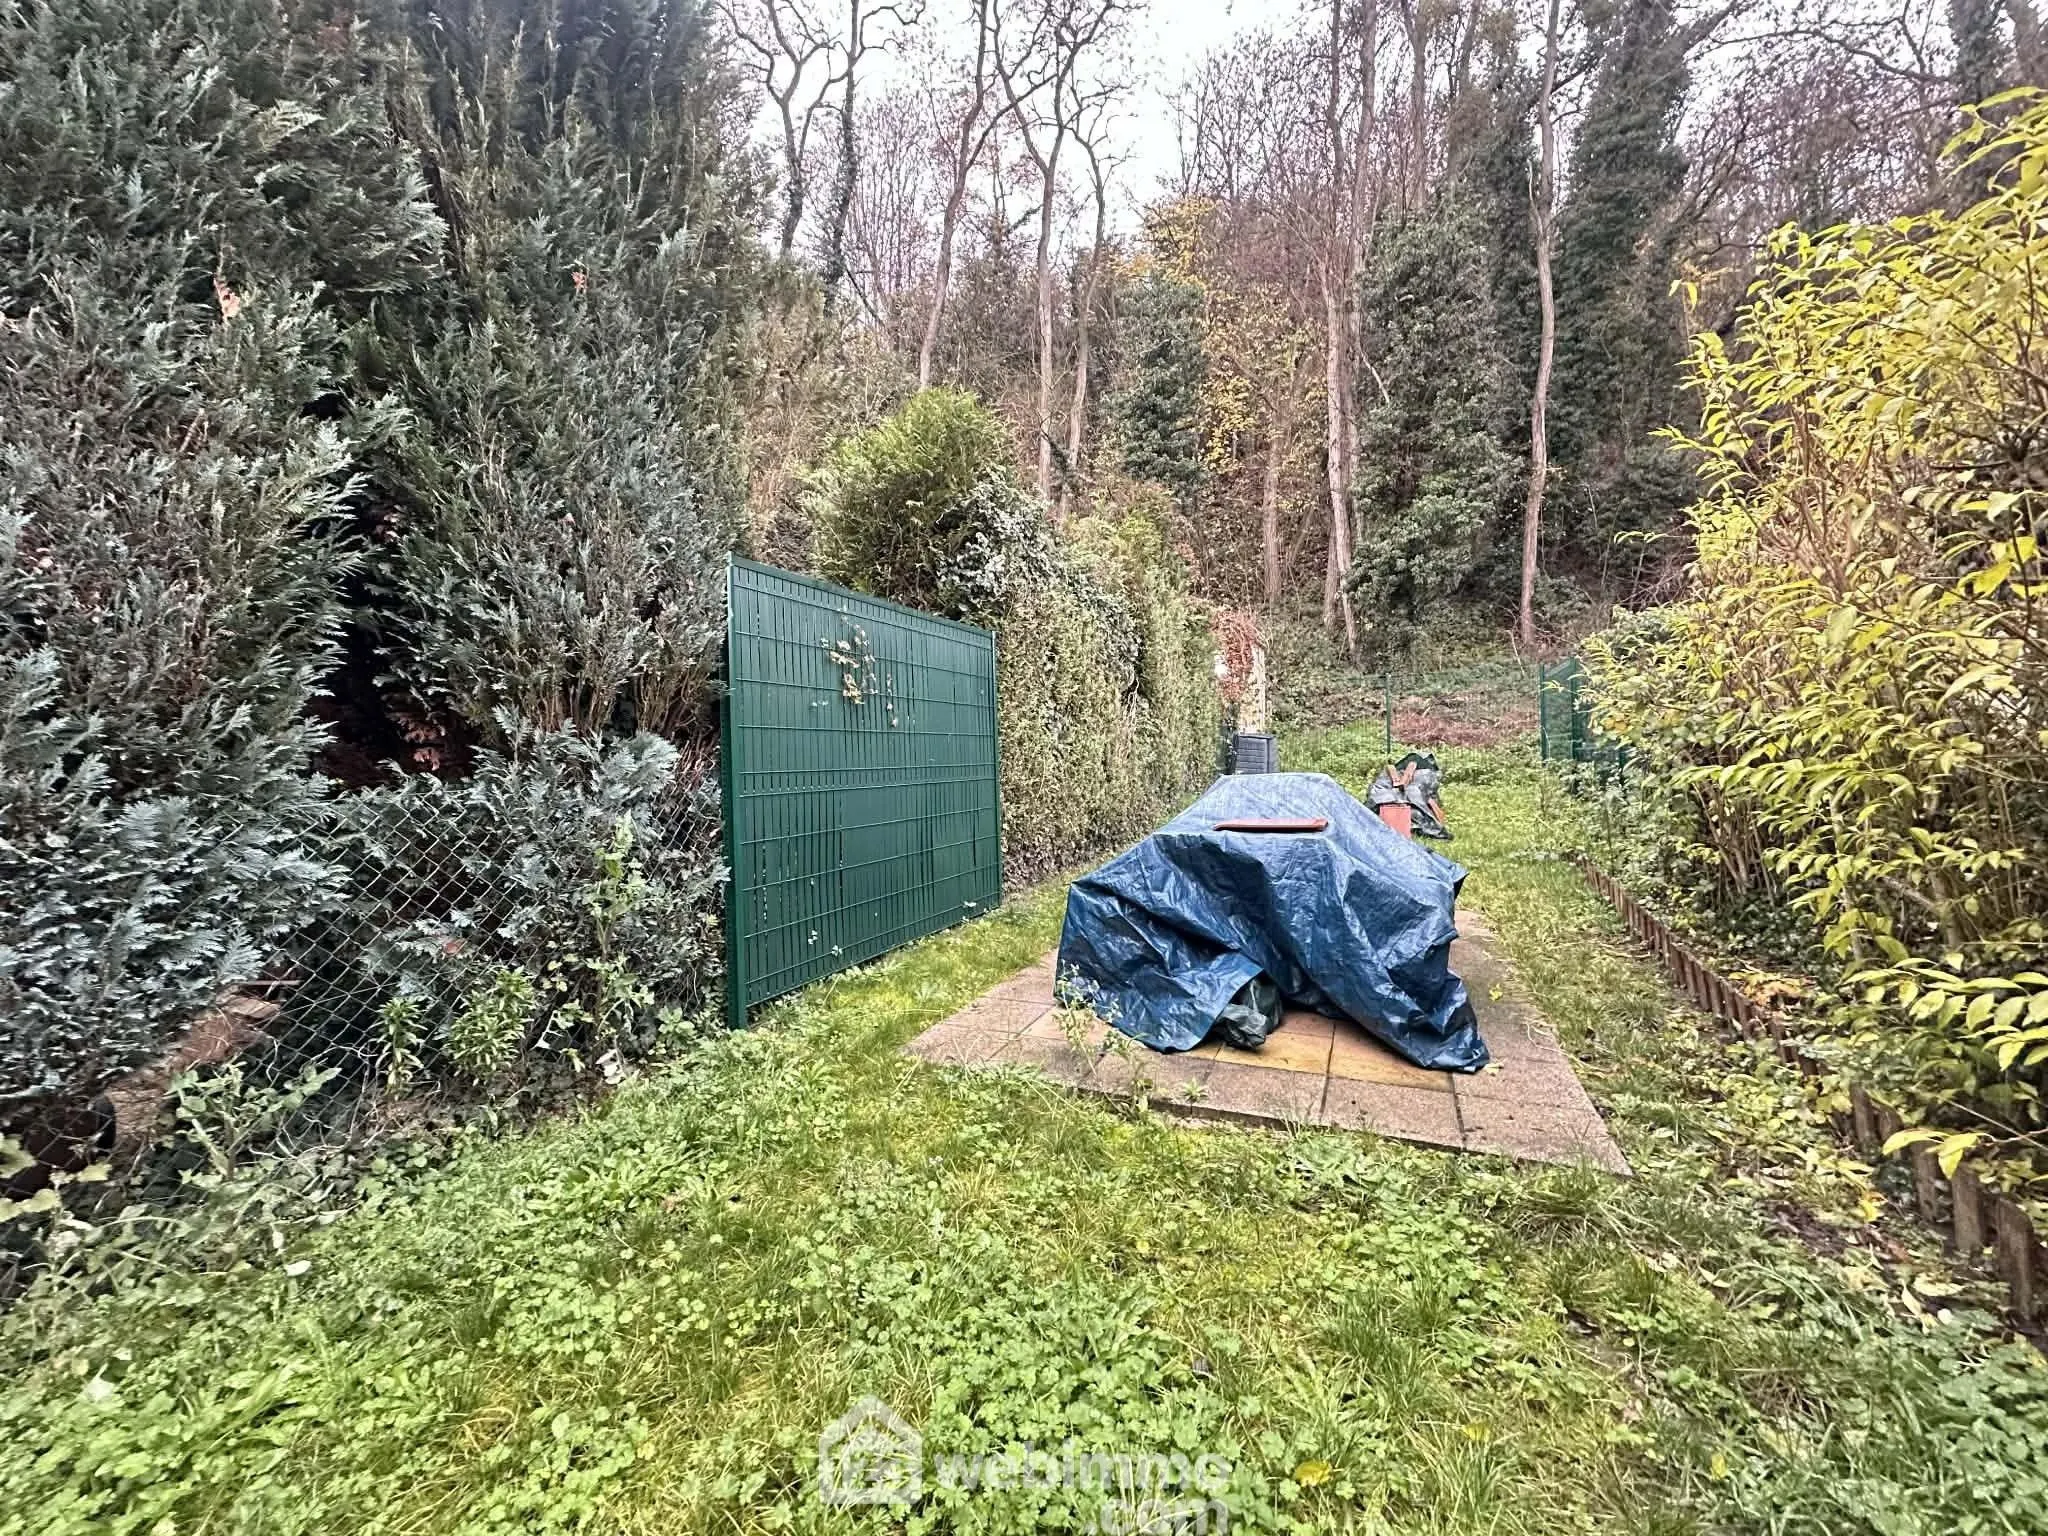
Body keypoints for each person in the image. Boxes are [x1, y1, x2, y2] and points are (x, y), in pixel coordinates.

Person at [1366, 751, 1452, 840]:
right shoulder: (1385, 784)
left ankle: (1423, 825)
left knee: (1413, 793)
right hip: (1389, 801)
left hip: (1413, 790)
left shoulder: (1422, 776)